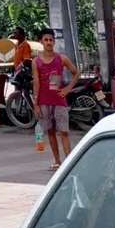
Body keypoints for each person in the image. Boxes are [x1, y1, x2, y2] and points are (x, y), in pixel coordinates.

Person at [32, 27, 78, 170]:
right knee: (50, 132)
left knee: (64, 132)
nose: (49, 42)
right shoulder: (36, 62)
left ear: (54, 42)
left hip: (59, 100)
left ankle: (68, 162)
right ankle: (58, 161)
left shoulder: (61, 59)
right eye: (46, 40)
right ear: (41, 42)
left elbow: (76, 73)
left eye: (51, 40)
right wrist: (36, 103)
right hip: (44, 101)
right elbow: (36, 82)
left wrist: (67, 89)